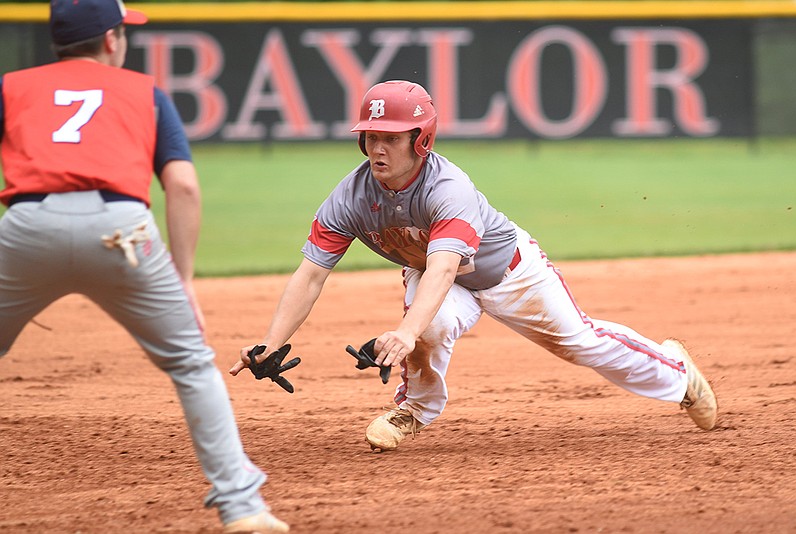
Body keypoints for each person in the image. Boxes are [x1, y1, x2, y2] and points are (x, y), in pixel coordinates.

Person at [230, 80, 718, 452]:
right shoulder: (351, 197)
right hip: (436, 275)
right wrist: (269, 343)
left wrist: (403, 331)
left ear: (421, 140)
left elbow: (445, 268)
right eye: (370, 136)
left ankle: (677, 374)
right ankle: (413, 411)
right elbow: (312, 273)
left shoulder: (449, 189)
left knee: (580, 343)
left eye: (391, 138)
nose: (377, 147)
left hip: (509, 272)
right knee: (432, 325)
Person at [0, 1, 288, 531]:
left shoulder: (12, 87)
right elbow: (182, 186)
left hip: (27, 225)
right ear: (111, 40)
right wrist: (183, 282)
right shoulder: (144, 92)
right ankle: (244, 508)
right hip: (123, 232)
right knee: (191, 364)